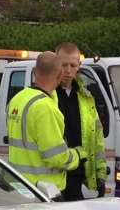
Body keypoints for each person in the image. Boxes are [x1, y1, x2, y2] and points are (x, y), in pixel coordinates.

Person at [6, 51, 81, 195]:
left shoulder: (17, 99)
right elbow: (57, 158)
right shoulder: (45, 107)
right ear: (59, 75)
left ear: (35, 72)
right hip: (44, 192)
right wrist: (78, 155)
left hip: (20, 187)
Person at [53, 42, 107, 201]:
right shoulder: (47, 95)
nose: (68, 71)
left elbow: (97, 138)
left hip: (78, 173)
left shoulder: (86, 98)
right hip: (53, 175)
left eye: (72, 65)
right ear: (56, 64)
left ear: (79, 66)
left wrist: (100, 173)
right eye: (64, 65)